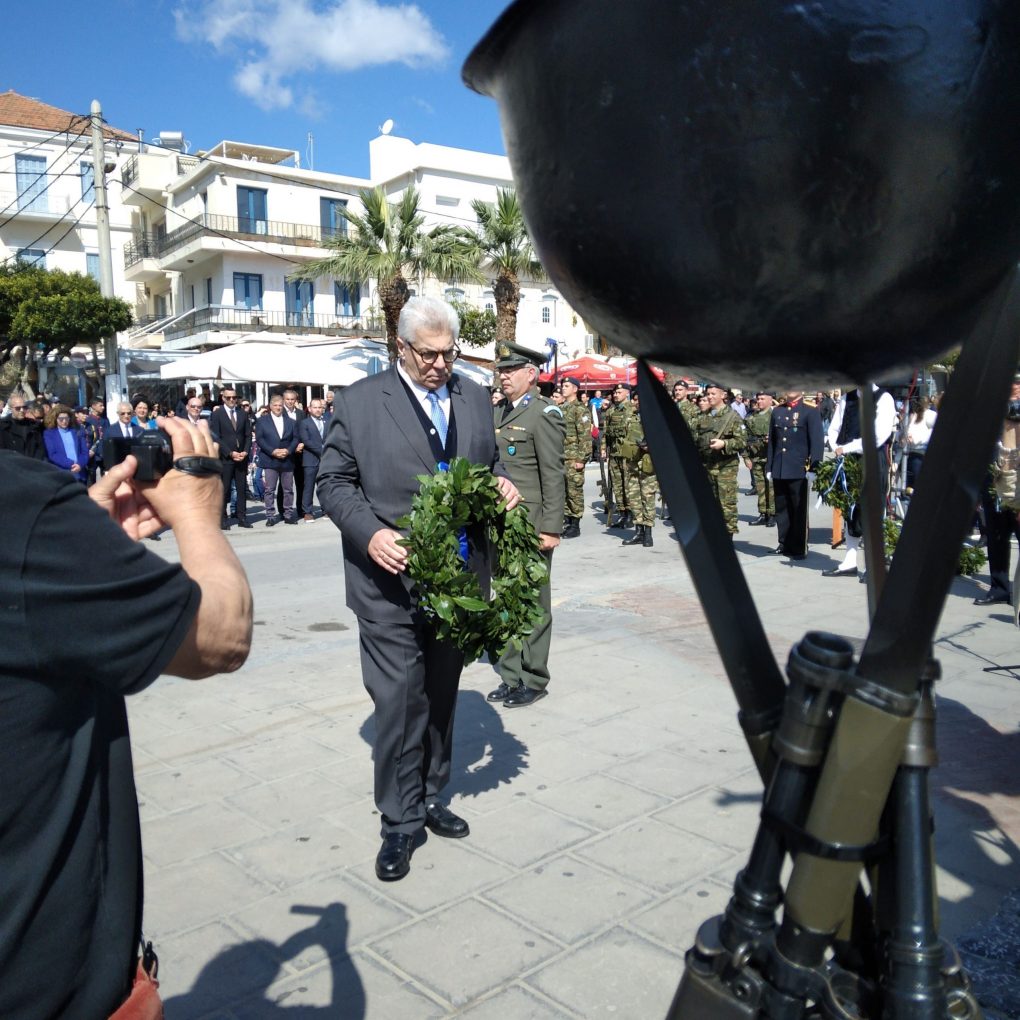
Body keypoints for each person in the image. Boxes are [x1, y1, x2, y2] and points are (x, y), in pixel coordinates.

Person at [0, 414, 252, 1020]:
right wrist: (198, 511)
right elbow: (221, 635)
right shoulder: (19, 504)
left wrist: (83, 552)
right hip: (47, 982)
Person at [316, 297, 520, 882]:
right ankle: (399, 821)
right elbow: (332, 483)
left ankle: (431, 795)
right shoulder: (359, 403)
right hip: (389, 583)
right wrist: (371, 533)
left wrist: (501, 485)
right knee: (400, 702)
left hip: (457, 583)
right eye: (426, 354)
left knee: (441, 695)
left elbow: (491, 463)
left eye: (446, 353)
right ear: (402, 348)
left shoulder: (474, 397)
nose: (437, 364)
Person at [488, 342, 565, 707]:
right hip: (501, 523)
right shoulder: (499, 411)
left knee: (533, 601)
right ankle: (509, 674)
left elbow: (553, 474)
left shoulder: (544, 413)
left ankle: (533, 677)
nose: (502, 376)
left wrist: (551, 527)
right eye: (501, 371)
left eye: (510, 370)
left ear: (530, 374)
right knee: (505, 596)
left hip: (532, 523)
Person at [823, 384, 897, 578]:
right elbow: (834, 427)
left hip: (871, 460)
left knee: (872, 511)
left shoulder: (883, 398)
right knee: (850, 510)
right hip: (848, 462)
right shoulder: (847, 398)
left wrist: (847, 448)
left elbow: (878, 436)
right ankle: (849, 562)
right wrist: (836, 445)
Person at [977, 376, 1020, 606]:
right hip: (995, 477)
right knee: (996, 534)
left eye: (1016, 381)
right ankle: (999, 587)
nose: (1012, 385)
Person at [767, 390, 823, 559]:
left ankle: (798, 546)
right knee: (781, 508)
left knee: (798, 509)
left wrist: (814, 468)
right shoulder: (777, 410)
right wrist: (769, 467)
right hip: (780, 466)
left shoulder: (810, 410)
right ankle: (784, 543)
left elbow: (817, 441)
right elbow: (773, 442)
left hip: (799, 468)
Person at [693, 382, 747, 535]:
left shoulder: (733, 417)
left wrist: (725, 443)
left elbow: (742, 441)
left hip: (725, 467)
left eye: (713, 394)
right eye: (708, 394)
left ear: (723, 395)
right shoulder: (703, 417)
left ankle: (727, 537)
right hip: (707, 465)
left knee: (726, 503)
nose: (709, 397)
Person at [209, 387, 253, 529]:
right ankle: (222, 518)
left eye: (234, 397)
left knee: (241, 488)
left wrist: (245, 451)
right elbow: (216, 436)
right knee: (225, 489)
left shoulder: (242, 413)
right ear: (223, 398)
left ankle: (242, 517)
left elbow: (247, 435)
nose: (232, 400)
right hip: (226, 458)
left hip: (241, 457)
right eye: (229, 398)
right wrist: (229, 453)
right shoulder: (217, 414)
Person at [621, 396, 659, 547]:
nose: (638, 401)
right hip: (632, 463)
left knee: (647, 498)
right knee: (634, 497)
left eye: (640, 399)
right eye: (636, 399)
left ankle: (648, 534)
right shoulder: (632, 417)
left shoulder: (656, 419)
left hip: (648, 463)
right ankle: (638, 532)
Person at [256, 395, 299, 526]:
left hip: (287, 460)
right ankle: (270, 515)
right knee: (270, 489)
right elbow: (260, 439)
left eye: (280, 405)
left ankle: (288, 514)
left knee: (288, 489)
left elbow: (295, 438)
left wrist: (288, 450)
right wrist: (273, 451)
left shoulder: (290, 422)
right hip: (270, 459)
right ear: (270, 406)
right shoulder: (263, 421)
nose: (278, 408)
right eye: (275, 405)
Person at [559, 375, 590, 538]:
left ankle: (575, 524)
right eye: (563, 385)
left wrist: (581, 459)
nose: (563, 387)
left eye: (567, 385)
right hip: (561, 457)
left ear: (575, 389)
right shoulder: (562, 408)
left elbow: (585, 436)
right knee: (563, 491)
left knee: (574, 491)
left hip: (573, 458)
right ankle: (567, 521)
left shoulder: (580, 409)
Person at [602, 383, 636, 528]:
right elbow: (605, 432)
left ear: (627, 393)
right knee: (617, 485)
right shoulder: (611, 411)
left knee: (628, 485)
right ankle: (623, 514)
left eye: (619, 392)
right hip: (615, 453)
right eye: (615, 392)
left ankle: (631, 514)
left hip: (628, 454)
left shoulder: (633, 410)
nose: (616, 394)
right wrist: (604, 449)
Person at [745, 392, 776, 526]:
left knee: (772, 487)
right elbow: (744, 438)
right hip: (756, 457)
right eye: (758, 399)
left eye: (763, 399)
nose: (759, 401)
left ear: (770, 401)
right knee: (760, 486)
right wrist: (746, 457)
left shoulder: (775, 416)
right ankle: (763, 513)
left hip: (771, 457)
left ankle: (773, 514)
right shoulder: (751, 417)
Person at [297, 397, 328, 520]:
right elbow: (306, 441)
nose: (318, 410)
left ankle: (326, 509)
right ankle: (308, 512)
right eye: (315, 407)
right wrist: (323, 451)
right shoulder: (305, 423)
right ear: (309, 409)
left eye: (320, 407)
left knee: (324, 486)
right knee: (308, 486)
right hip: (310, 459)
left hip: (325, 460)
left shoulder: (327, 422)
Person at [42, 404, 90, 483]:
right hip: (62, 474)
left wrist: (79, 464)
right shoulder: (49, 434)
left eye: (66, 418)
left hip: (79, 473)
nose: (64, 421)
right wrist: (71, 464)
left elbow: (85, 451)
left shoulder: (77, 430)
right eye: (61, 419)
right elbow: (52, 454)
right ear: (55, 419)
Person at [0, 393, 45, 459]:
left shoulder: (34, 425)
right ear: (10, 409)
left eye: (24, 407)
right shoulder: (2, 426)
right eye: (18, 408)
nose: (22, 410)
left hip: (33, 464)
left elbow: (40, 448)